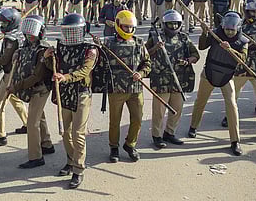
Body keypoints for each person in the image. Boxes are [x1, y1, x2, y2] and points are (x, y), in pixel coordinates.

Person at [45, 13, 99, 189]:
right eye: (67, 32)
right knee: (65, 132)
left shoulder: (90, 49)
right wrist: (48, 57)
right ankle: (70, 160)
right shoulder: (60, 47)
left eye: (74, 32)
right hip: (64, 94)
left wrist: (65, 77)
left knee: (78, 134)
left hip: (81, 94)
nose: (70, 36)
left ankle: (78, 169)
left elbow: (85, 71)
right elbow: (53, 68)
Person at [188, 12, 248, 156]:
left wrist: (230, 49)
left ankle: (235, 141)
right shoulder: (216, 34)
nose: (229, 32)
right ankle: (193, 126)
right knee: (200, 101)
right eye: (227, 29)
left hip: (227, 76)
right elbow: (202, 46)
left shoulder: (243, 41)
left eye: (232, 30)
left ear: (238, 28)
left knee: (232, 105)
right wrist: (204, 33)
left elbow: (242, 60)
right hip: (209, 72)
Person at [222, 0, 256, 145]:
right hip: (240, 65)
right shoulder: (238, 23)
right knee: (233, 98)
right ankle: (228, 116)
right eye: (252, 11)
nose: (255, 14)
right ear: (246, 10)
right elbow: (230, 39)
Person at [146, 10, 199, 148]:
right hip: (160, 79)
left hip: (179, 79)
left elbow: (196, 55)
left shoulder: (184, 38)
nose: (174, 27)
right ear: (164, 24)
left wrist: (187, 61)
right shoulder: (155, 37)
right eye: (170, 24)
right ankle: (157, 136)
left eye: (176, 24)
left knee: (177, 108)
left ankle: (170, 132)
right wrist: (156, 48)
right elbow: (144, 55)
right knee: (159, 111)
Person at [104, 10, 151, 162]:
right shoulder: (109, 43)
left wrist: (141, 73)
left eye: (131, 27)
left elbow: (147, 63)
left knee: (137, 118)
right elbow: (99, 64)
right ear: (118, 25)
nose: (129, 30)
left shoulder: (139, 43)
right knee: (115, 121)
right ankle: (114, 147)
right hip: (116, 89)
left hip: (135, 89)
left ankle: (130, 144)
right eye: (126, 27)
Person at [14, 15, 55, 167]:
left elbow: (37, 75)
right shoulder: (26, 47)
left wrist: (16, 87)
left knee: (32, 123)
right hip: (34, 88)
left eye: (33, 32)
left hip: (40, 88)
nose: (30, 36)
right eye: (28, 32)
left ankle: (36, 157)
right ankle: (46, 144)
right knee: (39, 115)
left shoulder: (43, 50)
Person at [0, 8, 29, 148]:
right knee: (14, 98)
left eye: (4, 23)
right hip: (17, 73)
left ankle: (0, 135)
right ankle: (27, 123)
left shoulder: (11, 39)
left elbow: (4, 60)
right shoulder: (20, 34)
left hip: (11, 74)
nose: (1, 25)